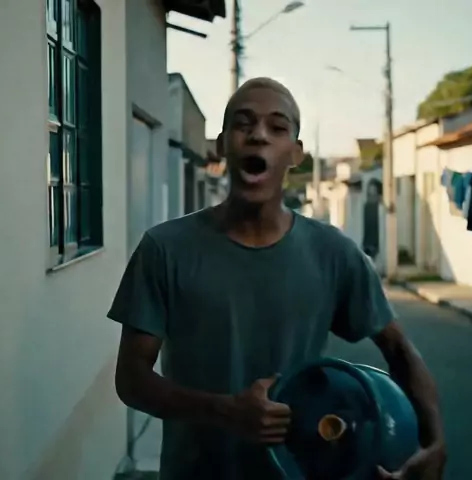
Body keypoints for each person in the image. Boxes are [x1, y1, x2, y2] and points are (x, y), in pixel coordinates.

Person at [108, 77, 446, 480]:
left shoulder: (334, 253)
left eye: (277, 127)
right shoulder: (164, 249)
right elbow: (131, 379)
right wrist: (225, 411)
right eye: (243, 124)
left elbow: (400, 350)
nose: (258, 135)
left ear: (295, 154)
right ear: (222, 145)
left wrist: (434, 443)